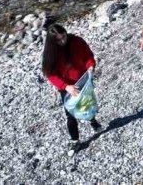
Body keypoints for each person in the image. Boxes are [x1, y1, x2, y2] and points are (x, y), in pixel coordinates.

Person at [42, 24, 101, 156]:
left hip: (84, 80)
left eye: (64, 37)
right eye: (58, 40)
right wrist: (65, 86)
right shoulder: (50, 53)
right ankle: (75, 141)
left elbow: (88, 56)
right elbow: (50, 74)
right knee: (70, 113)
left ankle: (92, 120)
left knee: (88, 102)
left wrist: (91, 66)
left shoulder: (77, 41)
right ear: (52, 42)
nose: (63, 41)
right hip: (67, 88)